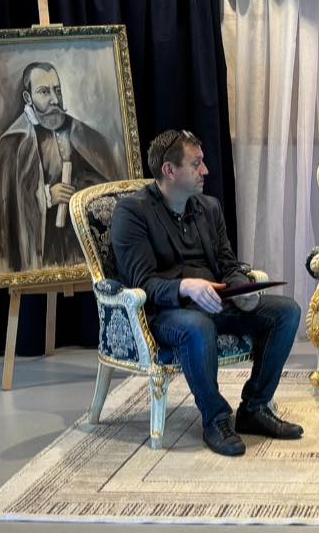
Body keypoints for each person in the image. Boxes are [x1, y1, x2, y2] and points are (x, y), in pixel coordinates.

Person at [112, 129, 305, 457]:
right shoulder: (133, 212)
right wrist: (185, 286)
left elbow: (228, 265)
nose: (206, 171)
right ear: (169, 170)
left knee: (286, 311)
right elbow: (142, 282)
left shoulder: (209, 207)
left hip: (216, 302)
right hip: (166, 312)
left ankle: (254, 409)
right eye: (196, 164)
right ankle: (215, 419)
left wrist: (241, 290)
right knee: (197, 326)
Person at [0, 61, 118, 272]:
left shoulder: (81, 133)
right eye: (44, 92)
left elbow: (104, 183)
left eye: (57, 90)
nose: (55, 100)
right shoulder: (13, 142)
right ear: (28, 98)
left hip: (78, 244)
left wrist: (79, 191)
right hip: (42, 249)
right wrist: (47, 196)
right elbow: (6, 206)